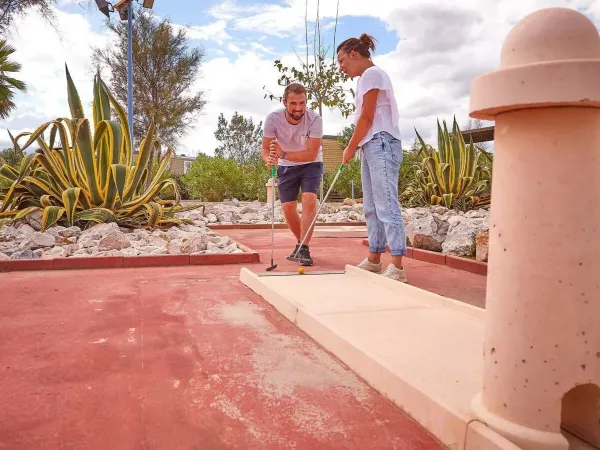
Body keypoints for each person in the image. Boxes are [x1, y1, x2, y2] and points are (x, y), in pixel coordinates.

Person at [336, 33, 408, 282]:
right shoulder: (365, 78)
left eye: (342, 60)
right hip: (371, 144)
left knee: (387, 203)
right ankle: (375, 259)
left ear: (354, 54)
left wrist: (349, 147)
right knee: (371, 207)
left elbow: (366, 118)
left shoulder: (372, 75)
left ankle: (397, 267)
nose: (341, 67)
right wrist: (358, 146)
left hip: (381, 141)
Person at [261, 82, 324, 267]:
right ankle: (301, 243)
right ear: (284, 102)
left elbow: (312, 153)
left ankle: (304, 247)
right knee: (288, 208)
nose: (298, 108)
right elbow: (265, 149)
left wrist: (283, 154)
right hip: (286, 165)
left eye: (302, 103)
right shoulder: (273, 119)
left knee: (309, 199)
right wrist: (269, 160)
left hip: (311, 164)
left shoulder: (315, 119)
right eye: (293, 103)